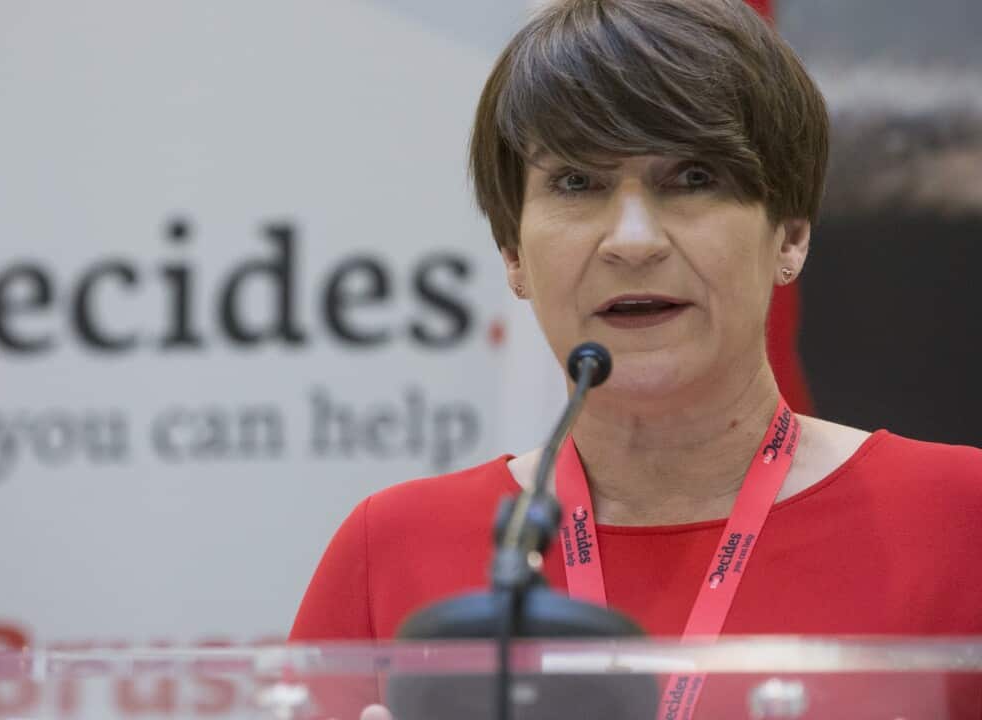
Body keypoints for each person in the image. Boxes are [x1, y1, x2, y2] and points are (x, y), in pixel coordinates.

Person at [290, 0, 982, 716]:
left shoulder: (963, 519)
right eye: (576, 183)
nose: (632, 240)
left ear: (790, 237)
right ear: (513, 254)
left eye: (691, 179)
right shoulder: (394, 547)